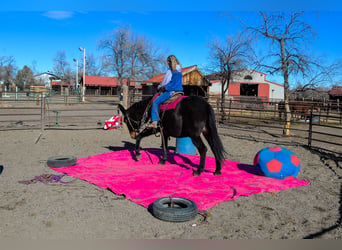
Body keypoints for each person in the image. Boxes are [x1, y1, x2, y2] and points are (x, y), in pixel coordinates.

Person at [146, 55, 183, 129]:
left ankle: (154, 122)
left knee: (155, 102)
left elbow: (166, 82)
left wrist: (160, 87)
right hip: (179, 91)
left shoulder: (170, 71)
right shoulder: (179, 70)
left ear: (169, 62)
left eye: (167, 62)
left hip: (170, 91)